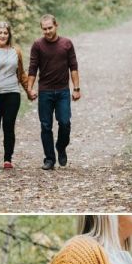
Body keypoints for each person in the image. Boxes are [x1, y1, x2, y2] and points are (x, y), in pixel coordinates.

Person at [28, 14, 80, 170]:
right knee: (46, 126)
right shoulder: (37, 45)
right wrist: (29, 88)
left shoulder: (66, 44)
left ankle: (61, 146)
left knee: (65, 123)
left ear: (56, 25)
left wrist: (76, 88)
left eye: (50, 28)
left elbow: (73, 67)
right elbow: (32, 68)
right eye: (44, 29)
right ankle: (49, 159)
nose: (47, 31)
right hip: (45, 92)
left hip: (63, 91)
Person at [0, 21, 33, 170]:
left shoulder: (16, 51)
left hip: (12, 93)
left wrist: (29, 90)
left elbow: (21, 73)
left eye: (5, 33)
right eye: (0, 32)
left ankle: (8, 159)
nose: (2, 35)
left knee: (9, 125)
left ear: (9, 35)